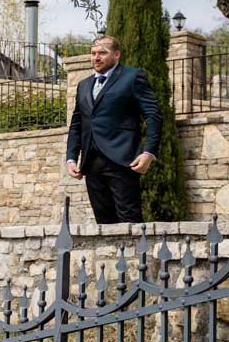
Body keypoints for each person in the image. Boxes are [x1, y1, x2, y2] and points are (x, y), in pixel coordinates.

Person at [66, 36, 162, 223]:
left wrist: (149, 152)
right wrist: (71, 157)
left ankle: (134, 253)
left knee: (129, 221)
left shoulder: (132, 77)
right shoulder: (84, 85)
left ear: (116, 55)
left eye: (102, 53)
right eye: (93, 53)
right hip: (91, 163)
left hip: (122, 160)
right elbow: (77, 123)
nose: (96, 57)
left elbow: (153, 115)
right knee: (103, 223)